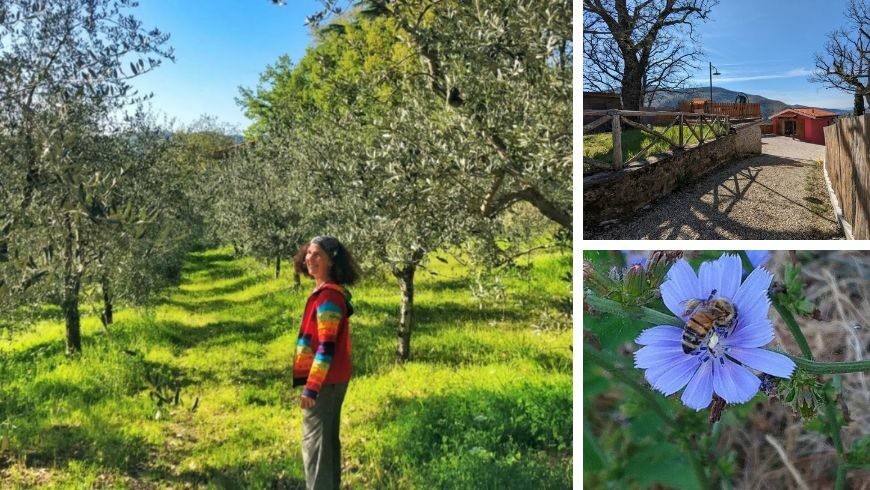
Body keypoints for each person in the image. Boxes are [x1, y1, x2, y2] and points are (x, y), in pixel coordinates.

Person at [292, 235, 360, 490]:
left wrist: (311, 388)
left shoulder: (329, 297)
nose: (310, 258)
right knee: (326, 444)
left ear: (331, 261)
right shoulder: (325, 293)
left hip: (325, 383)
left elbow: (325, 348)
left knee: (315, 447)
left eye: (318, 254)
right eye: (308, 253)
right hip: (331, 380)